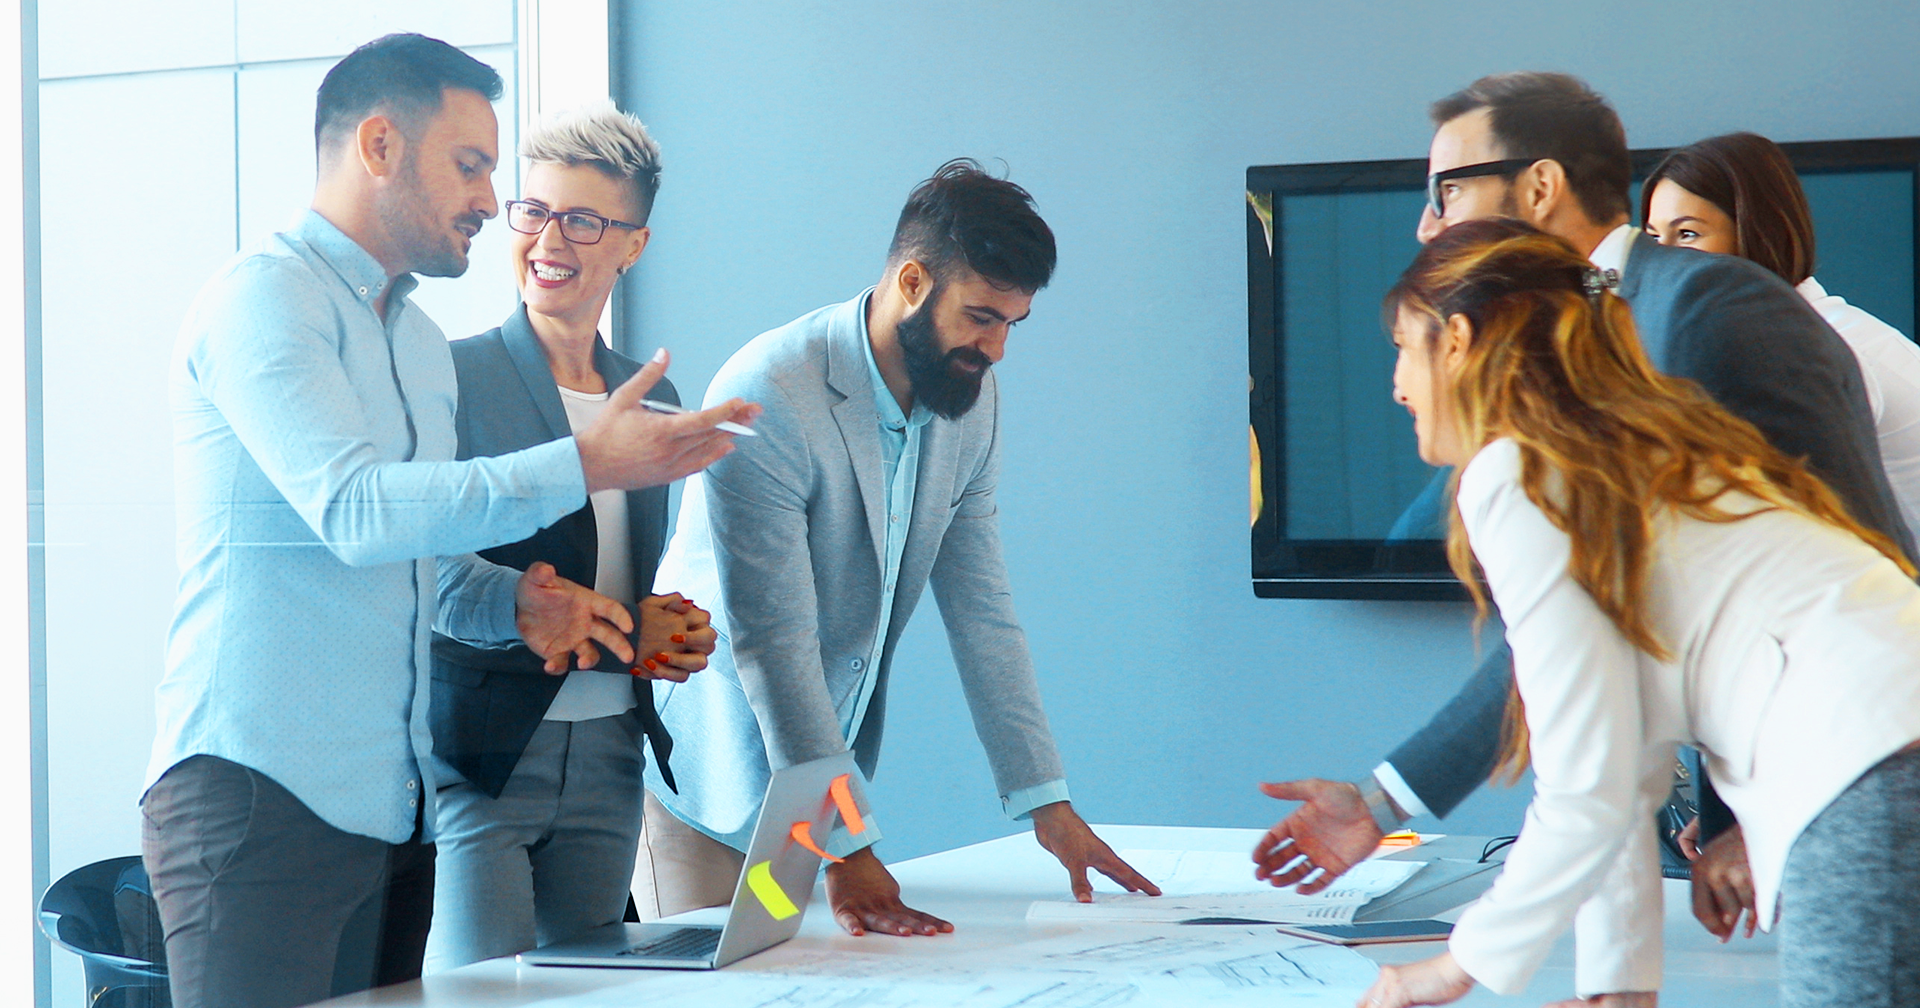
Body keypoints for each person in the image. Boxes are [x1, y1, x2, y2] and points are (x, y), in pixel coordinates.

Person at [143, 36, 756, 1008]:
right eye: (477, 170)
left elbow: (419, 562)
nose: (493, 203)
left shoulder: (413, 345)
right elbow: (357, 513)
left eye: (494, 174)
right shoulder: (265, 298)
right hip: (266, 790)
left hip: (394, 806)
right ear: (381, 146)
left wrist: (612, 622)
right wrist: (575, 476)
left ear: (634, 242)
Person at [1251, 72, 1910, 964]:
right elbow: (1599, 667)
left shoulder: (1711, 309)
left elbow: (1855, 547)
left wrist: (1743, 818)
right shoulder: (1571, 357)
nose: (1426, 223)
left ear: (1538, 187)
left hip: (1859, 752)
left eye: (1447, 189)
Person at [1355, 216, 1920, 1008]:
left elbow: (1588, 781)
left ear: (1455, 340)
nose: (1396, 385)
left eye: (1401, 348)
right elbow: (1620, 753)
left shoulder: (1519, 476)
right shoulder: (1621, 450)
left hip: (1874, 763)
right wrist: (1619, 988)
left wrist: (1455, 966)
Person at [635, 159, 1159, 936]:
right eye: (982, 316)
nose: (998, 349)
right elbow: (774, 644)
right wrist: (848, 848)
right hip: (715, 778)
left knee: (803, 978)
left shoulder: (967, 401)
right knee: (727, 982)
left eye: (1013, 322)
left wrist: (1046, 801)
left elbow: (984, 612)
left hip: (812, 785)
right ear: (913, 283)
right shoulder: (768, 393)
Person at [423, 101, 720, 971]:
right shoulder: (451, 375)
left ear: (633, 244)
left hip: (610, 757)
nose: (550, 238)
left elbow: (640, 577)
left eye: (585, 220)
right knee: (482, 994)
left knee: (592, 989)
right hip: (480, 759)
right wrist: (531, 608)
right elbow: (420, 568)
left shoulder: (655, 396)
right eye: (536, 210)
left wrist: (663, 627)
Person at [1644, 131, 1920, 536]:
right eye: (1652, 237)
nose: (1659, 260)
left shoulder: (1823, 350)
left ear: (1756, 232)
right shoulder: (1786, 332)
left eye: (1687, 235)